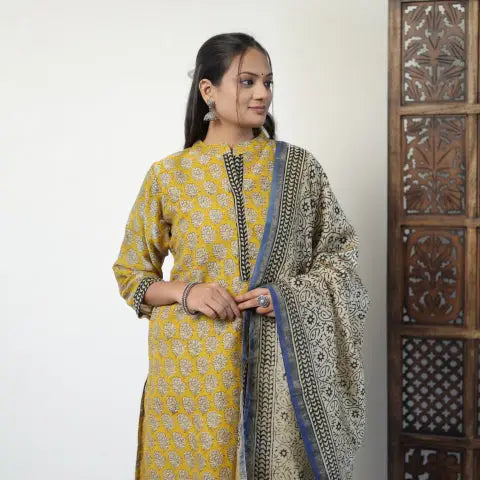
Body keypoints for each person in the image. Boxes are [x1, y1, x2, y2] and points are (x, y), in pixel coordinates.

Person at [112, 32, 370, 480]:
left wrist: (285, 297)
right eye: (247, 81)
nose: (262, 93)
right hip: (192, 376)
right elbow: (132, 275)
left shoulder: (300, 169)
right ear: (208, 90)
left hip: (278, 372)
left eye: (268, 82)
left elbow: (341, 257)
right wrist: (186, 292)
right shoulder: (168, 175)